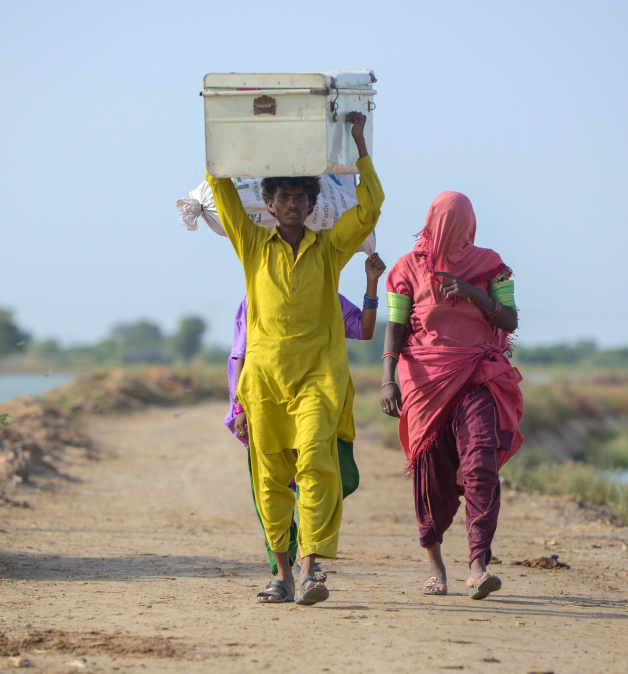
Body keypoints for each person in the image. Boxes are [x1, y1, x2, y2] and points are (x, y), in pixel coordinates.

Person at [205, 111, 381, 605]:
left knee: (316, 465)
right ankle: (279, 575)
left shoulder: (329, 251)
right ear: (268, 203)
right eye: (283, 196)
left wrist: (359, 143)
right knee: (269, 477)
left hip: (318, 378)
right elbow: (219, 190)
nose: (292, 204)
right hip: (263, 382)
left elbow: (369, 211)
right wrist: (222, 135)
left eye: (301, 197)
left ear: (310, 204)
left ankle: (309, 570)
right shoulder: (252, 245)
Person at [379, 191, 524, 600]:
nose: (449, 232)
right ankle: (435, 565)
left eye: (457, 224)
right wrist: (388, 378)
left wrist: (471, 292)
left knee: (481, 464)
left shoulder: (490, 266)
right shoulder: (406, 269)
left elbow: (510, 319)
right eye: (444, 223)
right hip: (424, 384)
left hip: (478, 373)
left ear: (470, 226)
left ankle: (478, 564)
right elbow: (396, 327)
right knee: (431, 476)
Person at [226, 254, 386, 589]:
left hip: (316, 400)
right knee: (271, 488)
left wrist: (371, 281)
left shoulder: (329, 298)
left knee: (319, 477)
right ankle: (283, 574)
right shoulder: (255, 297)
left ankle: (307, 568)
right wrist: (239, 406)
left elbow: (365, 329)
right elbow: (241, 353)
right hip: (267, 402)